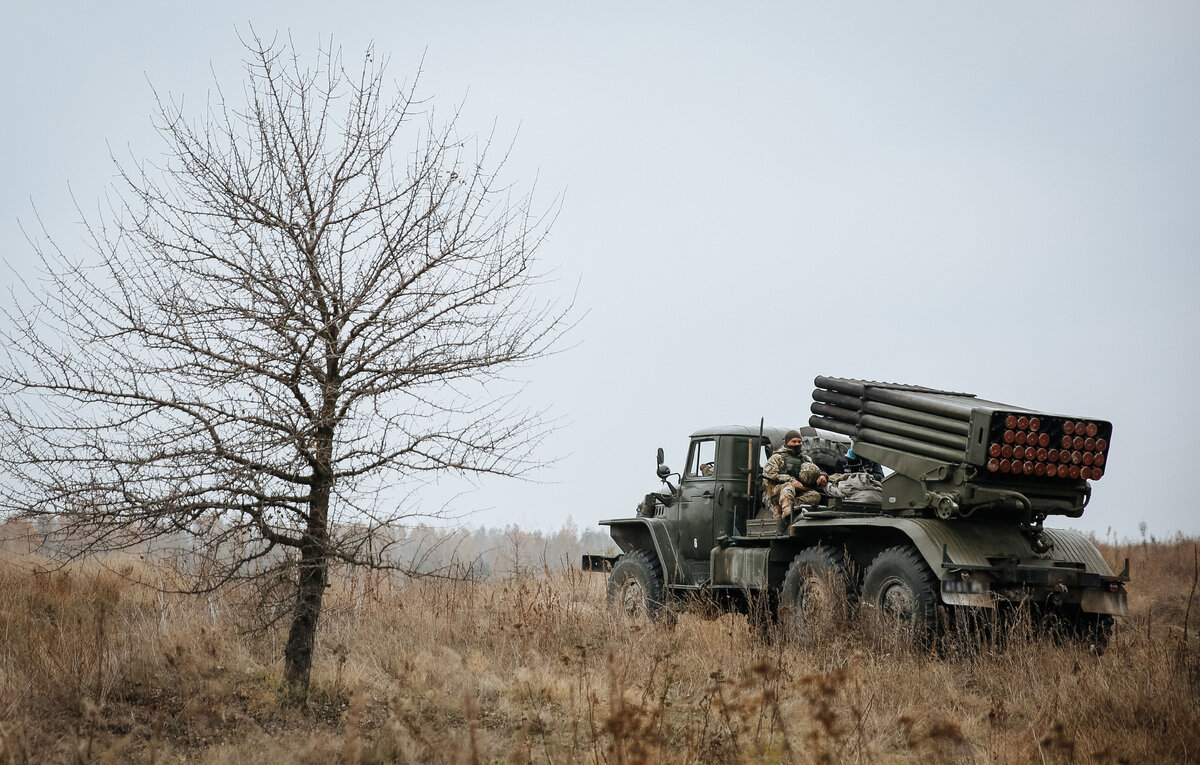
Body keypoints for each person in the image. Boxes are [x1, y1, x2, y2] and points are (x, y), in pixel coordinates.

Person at [762, 430, 828, 519]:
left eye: (799, 441)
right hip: (778, 492)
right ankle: (787, 510)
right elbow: (769, 475)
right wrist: (791, 480)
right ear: (787, 442)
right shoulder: (777, 458)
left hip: (798, 492)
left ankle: (790, 506)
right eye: (794, 441)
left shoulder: (805, 459)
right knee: (788, 486)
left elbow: (816, 470)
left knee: (815, 496)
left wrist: (822, 476)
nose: (797, 444)